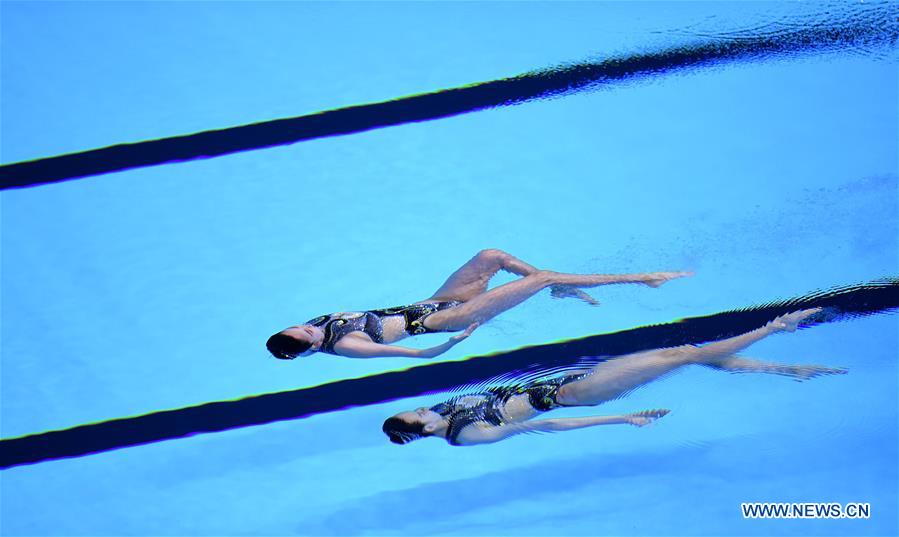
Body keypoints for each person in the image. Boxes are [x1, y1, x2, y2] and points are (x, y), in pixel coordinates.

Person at [382, 308, 846, 446]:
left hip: (560, 380)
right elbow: (545, 425)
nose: (427, 407)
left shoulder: (445, 411)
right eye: (420, 413)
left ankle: (787, 369)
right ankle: (772, 329)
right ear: (424, 429)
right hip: (577, 395)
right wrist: (623, 420)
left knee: (680, 352)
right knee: (681, 356)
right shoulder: (466, 435)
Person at [266, 249, 691, 360]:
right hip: (447, 320)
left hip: (433, 302)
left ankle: (557, 288)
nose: (305, 327)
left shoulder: (317, 324)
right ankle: (643, 279)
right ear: (308, 348)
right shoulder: (345, 345)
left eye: (298, 326)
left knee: (491, 255)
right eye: (303, 335)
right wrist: (452, 343)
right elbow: (409, 352)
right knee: (542, 278)